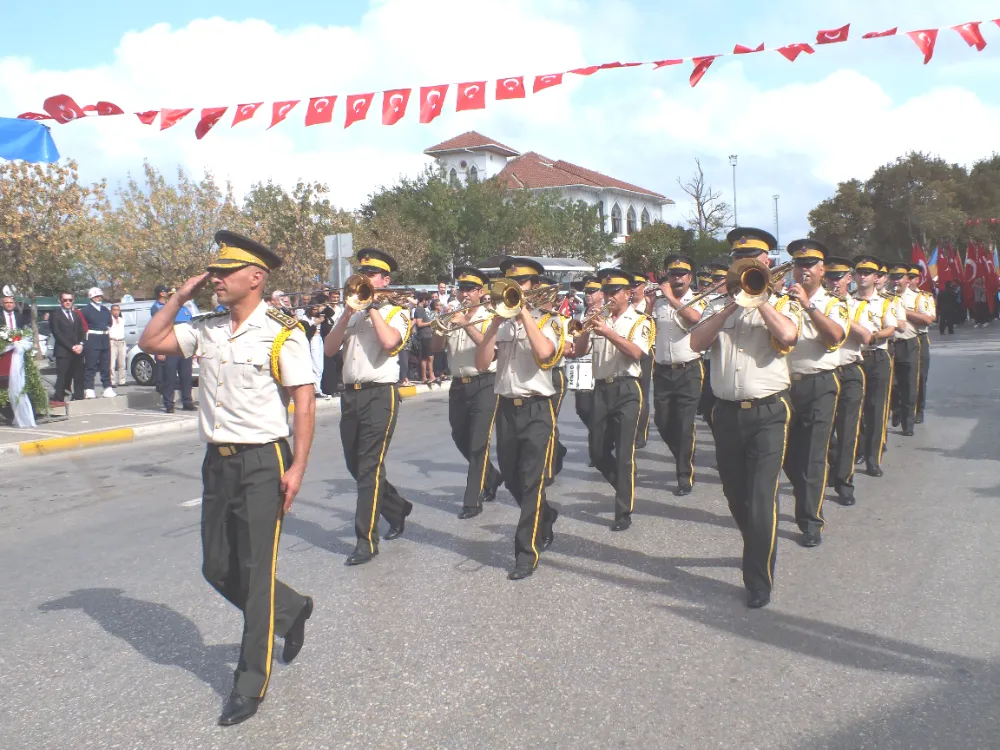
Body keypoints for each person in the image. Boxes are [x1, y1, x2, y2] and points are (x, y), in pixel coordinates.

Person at [138, 230, 316, 727]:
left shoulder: (283, 332)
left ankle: (249, 683)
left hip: (264, 460)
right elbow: (150, 341)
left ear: (255, 277)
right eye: (213, 271)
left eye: (224, 272)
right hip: (218, 461)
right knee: (216, 567)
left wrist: (298, 466)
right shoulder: (208, 326)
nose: (215, 278)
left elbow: (303, 402)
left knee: (257, 573)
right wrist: (179, 297)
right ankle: (293, 609)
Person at [689, 228, 800, 609]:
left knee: (760, 496)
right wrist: (734, 304)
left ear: (768, 260)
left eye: (755, 256)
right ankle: (758, 544)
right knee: (736, 495)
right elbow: (695, 343)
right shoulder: (720, 304)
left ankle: (757, 578)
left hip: (769, 411)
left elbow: (788, 337)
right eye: (740, 257)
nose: (748, 262)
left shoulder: (785, 301)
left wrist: (760, 300)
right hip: (726, 413)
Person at [324, 249, 413, 566]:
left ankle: (366, 540)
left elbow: (390, 344)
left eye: (370, 275)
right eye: (361, 273)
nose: (363, 279)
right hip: (351, 395)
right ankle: (396, 507)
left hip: (380, 395)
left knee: (369, 467)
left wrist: (372, 306)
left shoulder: (396, 313)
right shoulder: (352, 314)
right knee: (356, 465)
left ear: (385, 281)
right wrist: (347, 314)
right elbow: (329, 348)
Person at [476, 257, 562, 580]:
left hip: (537, 408)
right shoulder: (499, 322)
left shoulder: (552, 320)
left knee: (532, 481)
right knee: (512, 477)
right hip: (506, 408)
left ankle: (525, 553)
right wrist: (495, 326)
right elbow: (482, 362)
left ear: (535, 287)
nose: (515, 290)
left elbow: (544, 354)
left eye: (521, 284)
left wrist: (524, 313)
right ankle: (545, 515)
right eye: (510, 284)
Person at [782, 240, 849, 548]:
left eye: (810, 265)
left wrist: (808, 306)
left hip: (820, 382)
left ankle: (810, 519)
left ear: (822, 270)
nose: (804, 270)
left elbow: (835, 336)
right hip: (784, 384)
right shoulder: (783, 300)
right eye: (799, 264)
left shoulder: (834, 302)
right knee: (788, 457)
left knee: (811, 455)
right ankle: (808, 494)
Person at [574, 269, 651, 531]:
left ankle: (622, 512)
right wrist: (585, 329)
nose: (607, 297)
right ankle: (625, 485)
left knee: (624, 454)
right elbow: (580, 351)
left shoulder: (640, 320)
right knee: (597, 452)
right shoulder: (599, 317)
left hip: (627, 388)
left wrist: (607, 332)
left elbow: (636, 353)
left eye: (612, 293)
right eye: (604, 292)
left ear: (627, 293)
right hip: (600, 388)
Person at [431, 267, 503, 519]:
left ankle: (472, 501)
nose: (464, 293)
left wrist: (466, 324)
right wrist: (440, 326)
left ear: (480, 291)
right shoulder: (453, 312)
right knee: (459, 436)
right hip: (458, 384)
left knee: (477, 442)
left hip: (485, 381)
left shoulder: (491, 315)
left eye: (469, 289)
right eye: (461, 288)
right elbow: (436, 347)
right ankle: (492, 477)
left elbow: (490, 349)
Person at [646, 255, 705, 496]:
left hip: (689, 369)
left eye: (682, 274)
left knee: (684, 424)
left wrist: (669, 297)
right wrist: (650, 302)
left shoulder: (699, 299)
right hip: (662, 370)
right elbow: (646, 327)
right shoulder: (659, 302)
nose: (677, 278)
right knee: (662, 421)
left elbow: (694, 319)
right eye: (673, 274)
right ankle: (682, 454)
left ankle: (684, 473)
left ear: (690, 277)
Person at [824, 257, 871, 507]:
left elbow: (866, 335)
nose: (834, 282)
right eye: (830, 277)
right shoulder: (817, 303)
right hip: (823, 372)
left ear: (848, 279)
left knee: (847, 429)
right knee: (822, 429)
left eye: (839, 277)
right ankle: (830, 466)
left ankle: (844, 481)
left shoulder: (858, 305)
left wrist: (838, 317)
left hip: (850, 369)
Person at [852, 256, 898, 479]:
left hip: (878, 356)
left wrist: (873, 336)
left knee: (877, 409)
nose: (862, 276)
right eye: (859, 272)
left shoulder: (885, 302)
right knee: (855, 408)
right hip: (855, 358)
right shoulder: (846, 301)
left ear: (875, 277)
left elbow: (891, 328)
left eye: (867, 273)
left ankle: (873, 458)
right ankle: (857, 450)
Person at [888, 264, 931, 437]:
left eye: (900, 277)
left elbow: (927, 319)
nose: (896, 281)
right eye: (894, 277)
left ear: (907, 280)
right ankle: (896, 408)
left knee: (910, 384)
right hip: (891, 344)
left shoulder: (919, 297)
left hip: (910, 343)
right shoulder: (884, 298)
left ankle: (909, 422)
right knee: (893, 384)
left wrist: (903, 311)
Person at [569, 277, 602, 431]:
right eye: (587, 292)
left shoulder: (608, 312)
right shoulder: (578, 313)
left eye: (592, 292)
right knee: (582, 407)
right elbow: (572, 334)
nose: (588, 295)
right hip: (583, 364)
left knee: (601, 405)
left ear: (601, 294)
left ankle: (601, 434)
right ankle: (598, 431)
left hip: (601, 362)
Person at [907, 265, 936, 424]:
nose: (909, 280)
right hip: (897, 341)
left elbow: (928, 319)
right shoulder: (892, 297)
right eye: (907, 277)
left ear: (918, 279)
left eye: (912, 277)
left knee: (919, 376)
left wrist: (905, 313)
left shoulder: (924, 297)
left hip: (919, 338)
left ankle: (918, 409)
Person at [629, 273, 654, 448]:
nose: (633, 288)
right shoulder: (626, 304)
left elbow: (648, 323)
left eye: (637, 284)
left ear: (644, 285)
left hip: (645, 351)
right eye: (631, 284)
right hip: (626, 349)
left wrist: (650, 305)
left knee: (642, 393)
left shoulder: (651, 302)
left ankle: (641, 432)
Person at [50, 291, 86, 404]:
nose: (68, 302)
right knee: (63, 377)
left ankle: (79, 397)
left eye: (70, 300)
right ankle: (59, 399)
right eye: (65, 300)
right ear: (60, 301)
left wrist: (81, 344)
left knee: (79, 376)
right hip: (63, 351)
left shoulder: (76, 315)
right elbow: (57, 333)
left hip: (78, 351)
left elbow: (82, 331)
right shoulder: (55, 315)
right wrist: (71, 347)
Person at [163, 292, 196, 414]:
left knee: (186, 376)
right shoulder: (166, 311)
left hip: (185, 348)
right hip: (172, 348)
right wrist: (160, 351)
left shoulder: (186, 311)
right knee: (170, 377)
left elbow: (192, 330)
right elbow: (162, 330)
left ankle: (187, 401)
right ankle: (169, 403)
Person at [80, 287, 116, 399]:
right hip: (92, 338)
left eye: (100, 296)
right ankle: (89, 388)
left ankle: (107, 387)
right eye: (96, 296)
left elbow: (109, 323)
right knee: (91, 365)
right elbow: (82, 326)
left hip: (104, 338)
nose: (98, 298)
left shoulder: (105, 309)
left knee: (106, 365)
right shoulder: (85, 310)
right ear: (91, 297)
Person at [412, 294, 436, 385]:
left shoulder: (421, 309)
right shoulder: (420, 309)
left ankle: (431, 375)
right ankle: (424, 377)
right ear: (424, 300)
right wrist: (431, 322)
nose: (429, 303)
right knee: (425, 358)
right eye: (428, 301)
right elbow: (419, 324)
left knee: (430, 357)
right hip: (424, 336)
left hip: (427, 335)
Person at [109, 304, 127, 387]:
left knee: (122, 363)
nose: (116, 311)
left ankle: (122, 380)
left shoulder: (122, 320)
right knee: (112, 363)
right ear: (111, 311)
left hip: (121, 341)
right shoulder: (109, 320)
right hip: (113, 341)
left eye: (117, 310)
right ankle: (112, 381)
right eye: (114, 310)